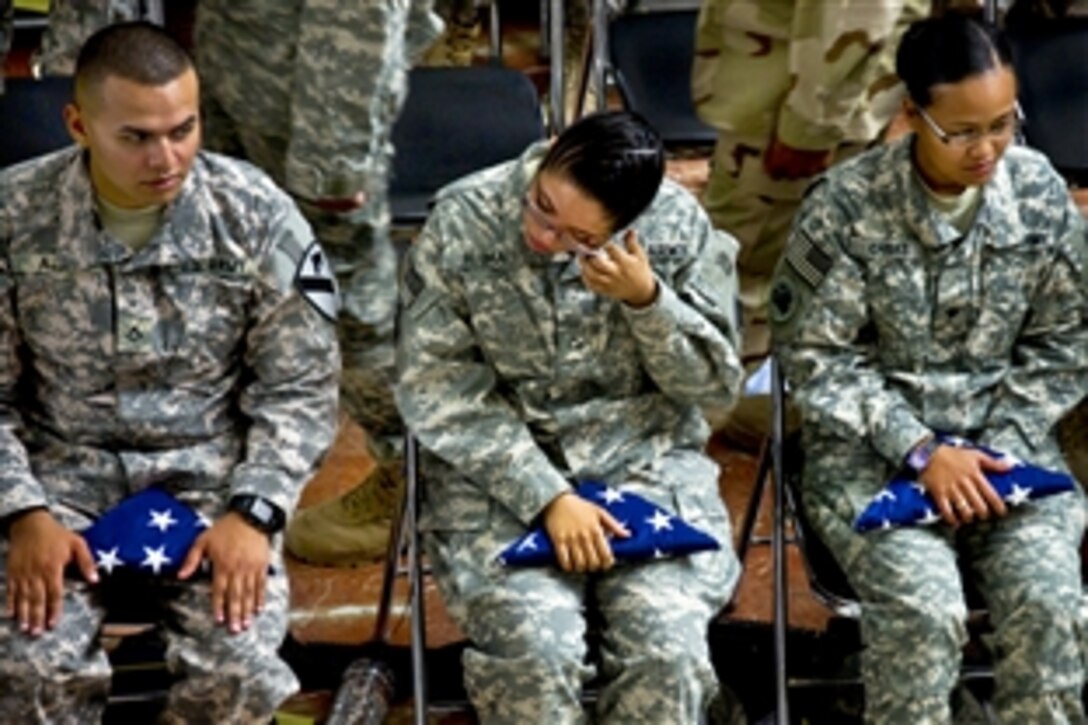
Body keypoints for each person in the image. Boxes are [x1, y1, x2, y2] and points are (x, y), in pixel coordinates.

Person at [0, 22, 339, 722]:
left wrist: (257, 510)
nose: (167, 157)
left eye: (184, 129)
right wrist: (21, 510)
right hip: (56, 477)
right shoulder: (13, 215)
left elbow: (299, 387)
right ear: (78, 124)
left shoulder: (254, 215)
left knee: (242, 668)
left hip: (214, 482)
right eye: (137, 137)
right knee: (28, 663)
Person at [770, 14, 1087, 722]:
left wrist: (993, 446)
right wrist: (923, 450)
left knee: (1049, 600)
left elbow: (1067, 340)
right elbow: (814, 357)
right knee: (924, 609)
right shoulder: (846, 209)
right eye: (963, 131)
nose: (988, 149)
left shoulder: (1038, 194)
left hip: (1010, 456)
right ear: (911, 114)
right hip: (872, 462)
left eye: (1004, 123)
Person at [395, 111, 745, 722]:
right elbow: (438, 387)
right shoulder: (463, 221)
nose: (544, 237)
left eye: (578, 238)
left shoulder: (677, 226)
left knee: (668, 652)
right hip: (502, 484)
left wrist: (648, 303)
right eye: (542, 206)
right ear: (552, 150)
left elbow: (715, 387)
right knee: (536, 652)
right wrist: (547, 497)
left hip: (645, 468)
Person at [191, 0, 445, 568]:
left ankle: (425, 476)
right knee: (239, 288)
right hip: (239, 76)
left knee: (348, 307)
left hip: (312, 108)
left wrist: (333, 159)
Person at [691, 0, 930, 448]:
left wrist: (809, 125)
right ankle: (749, 398)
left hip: (796, 99)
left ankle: (717, 410)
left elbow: (858, 12)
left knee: (741, 263)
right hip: (797, 87)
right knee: (786, 258)